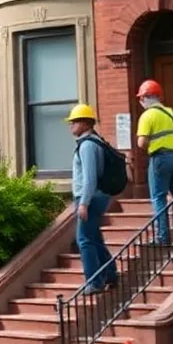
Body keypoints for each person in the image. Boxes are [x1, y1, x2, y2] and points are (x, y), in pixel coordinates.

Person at [135, 79, 173, 245]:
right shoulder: (172, 113)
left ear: (146, 98)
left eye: (141, 98)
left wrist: (154, 144)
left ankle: (162, 236)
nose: (140, 102)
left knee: (159, 197)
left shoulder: (147, 115)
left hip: (160, 159)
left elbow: (141, 143)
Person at [67, 104, 119, 294]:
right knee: (94, 238)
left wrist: (83, 203)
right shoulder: (95, 142)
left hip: (90, 197)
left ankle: (94, 282)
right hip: (96, 196)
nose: (71, 126)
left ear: (83, 123)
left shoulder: (88, 145)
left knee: (84, 240)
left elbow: (90, 178)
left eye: (73, 122)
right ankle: (111, 274)